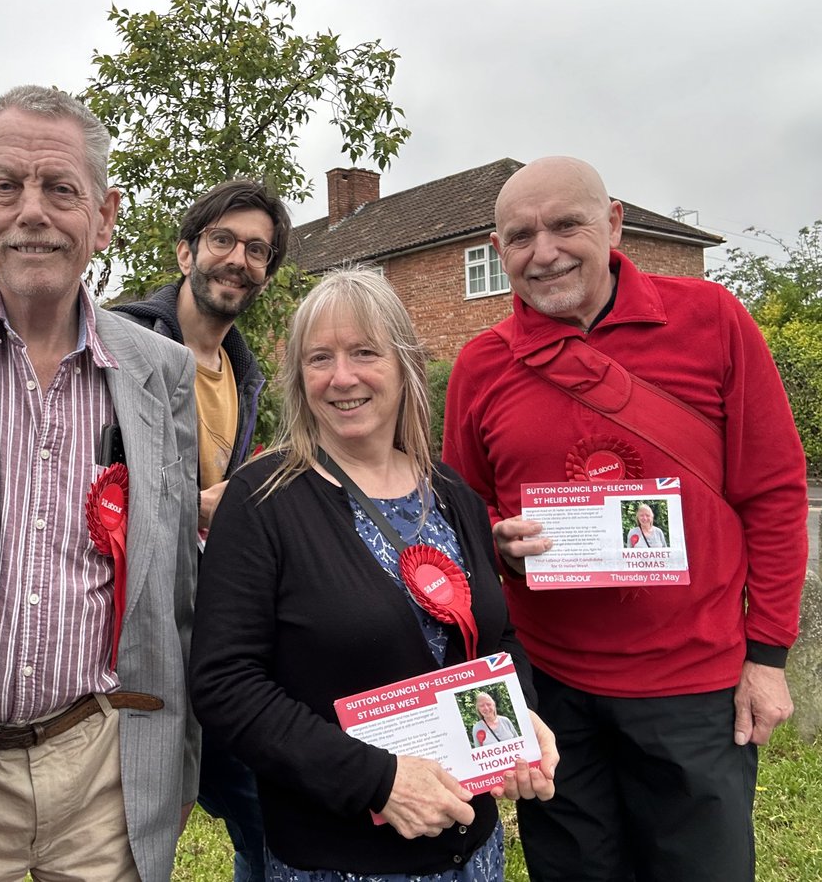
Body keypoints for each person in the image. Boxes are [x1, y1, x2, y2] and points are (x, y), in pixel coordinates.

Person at [442, 156, 808, 882]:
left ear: (612, 224)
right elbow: (463, 510)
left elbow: (773, 492)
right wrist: (495, 542)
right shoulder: (481, 365)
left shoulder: (711, 319)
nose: (543, 252)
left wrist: (766, 660)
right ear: (498, 249)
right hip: (551, 685)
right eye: (520, 237)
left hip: (695, 685)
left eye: (566, 225)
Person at [0, 85, 199, 882]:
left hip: (99, 769)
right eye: (7, 186)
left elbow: (178, 588)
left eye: (60, 189)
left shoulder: (161, 371)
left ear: (104, 215)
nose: (33, 211)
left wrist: (183, 754)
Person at [191, 267, 557, 881]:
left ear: (405, 365)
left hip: (470, 849)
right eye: (320, 358)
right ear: (298, 378)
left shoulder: (452, 495)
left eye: (364, 352)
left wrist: (521, 717)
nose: (342, 377)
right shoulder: (262, 501)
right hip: (336, 857)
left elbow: (498, 643)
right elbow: (226, 686)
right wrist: (379, 782)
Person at [115, 178, 292, 881]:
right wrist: (201, 508)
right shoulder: (123, 343)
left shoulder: (243, 371)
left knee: (264, 819)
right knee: (139, 833)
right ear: (186, 252)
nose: (238, 260)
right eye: (223, 241)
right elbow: (79, 491)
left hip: (215, 633)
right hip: (132, 644)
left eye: (257, 250)